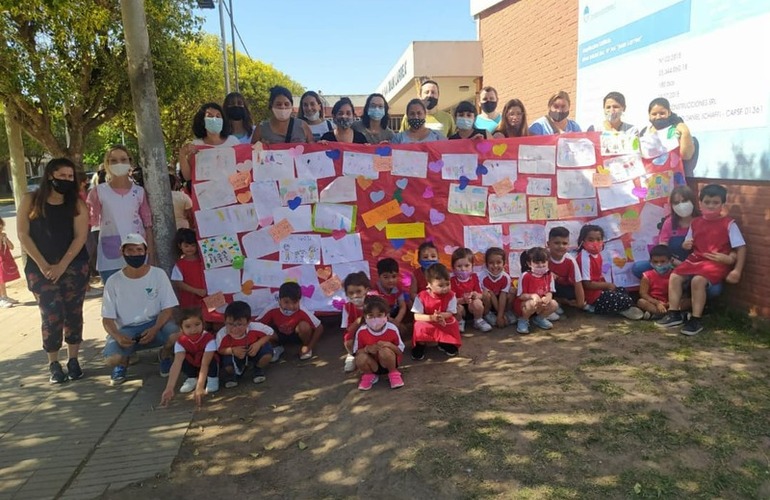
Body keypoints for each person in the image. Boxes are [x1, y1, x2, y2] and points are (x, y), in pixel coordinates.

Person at [17, 158, 89, 384]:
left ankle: (74, 359)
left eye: (70, 177)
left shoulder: (77, 204)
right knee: (51, 313)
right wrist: (43, 265)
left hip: (74, 266)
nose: (67, 180)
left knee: (73, 311)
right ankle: (53, 362)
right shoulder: (31, 200)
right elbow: (23, 234)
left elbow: (80, 237)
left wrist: (62, 265)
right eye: (62, 176)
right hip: (40, 269)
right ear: (50, 176)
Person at [657, 184, 746, 336]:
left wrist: (737, 270)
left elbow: (741, 247)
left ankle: (696, 319)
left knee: (697, 281)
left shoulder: (729, 224)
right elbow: (688, 242)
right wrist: (686, 244)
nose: (711, 205)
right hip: (696, 258)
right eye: (707, 202)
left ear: (722, 204)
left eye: (715, 202)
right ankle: (674, 313)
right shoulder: (696, 222)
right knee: (675, 276)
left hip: (716, 262)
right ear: (700, 203)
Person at [101, 233, 179, 386]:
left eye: (139, 250)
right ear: (122, 253)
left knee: (176, 335)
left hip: (154, 324)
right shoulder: (113, 281)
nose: (135, 254)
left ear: (146, 251)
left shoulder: (158, 274)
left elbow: (168, 308)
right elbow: (107, 319)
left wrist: (155, 328)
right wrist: (117, 336)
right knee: (112, 358)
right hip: (127, 329)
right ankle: (122, 362)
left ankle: (165, 355)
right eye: (130, 250)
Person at [87, 145, 154, 283]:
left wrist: (151, 253)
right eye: (114, 160)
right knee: (114, 297)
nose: (119, 164)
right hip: (110, 253)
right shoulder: (99, 192)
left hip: (138, 251)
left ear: (130, 162)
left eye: (123, 159)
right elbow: (90, 223)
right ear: (107, 164)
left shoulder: (139, 192)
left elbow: (147, 225)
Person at [576, 225, 645, 320]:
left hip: (599, 290)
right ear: (582, 241)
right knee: (625, 299)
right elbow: (586, 284)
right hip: (591, 296)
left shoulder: (597, 255)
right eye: (591, 240)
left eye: (598, 239)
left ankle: (622, 309)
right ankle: (592, 307)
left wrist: (607, 287)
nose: (595, 243)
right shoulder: (584, 258)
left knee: (622, 291)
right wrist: (607, 285)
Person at [160, 308, 219, 407]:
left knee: (211, 360)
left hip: (206, 363)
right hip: (194, 362)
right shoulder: (180, 341)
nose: (193, 330)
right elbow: (177, 363)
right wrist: (169, 387)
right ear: (181, 328)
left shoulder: (209, 339)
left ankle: (212, 377)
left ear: (203, 324)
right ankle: (192, 377)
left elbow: (205, 364)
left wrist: (200, 387)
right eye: (188, 326)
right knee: (180, 358)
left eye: (197, 324)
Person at [259, 281, 323, 361]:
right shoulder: (272, 309)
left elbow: (319, 327)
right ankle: (276, 348)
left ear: (299, 301)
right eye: (286, 302)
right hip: (279, 336)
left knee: (304, 326)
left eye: (294, 302)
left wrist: (309, 346)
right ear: (279, 300)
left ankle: (305, 346)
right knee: (263, 329)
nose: (290, 306)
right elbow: (258, 326)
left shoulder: (302, 310)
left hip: (296, 336)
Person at [353, 296, 405, 391]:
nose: (375, 319)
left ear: (386, 315)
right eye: (371, 315)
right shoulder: (361, 331)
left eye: (379, 315)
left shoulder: (392, 329)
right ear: (365, 316)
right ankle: (369, 375)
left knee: (385, 351)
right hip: (372, 365)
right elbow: (356, 352)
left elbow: (400, 351)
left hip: (390, 362)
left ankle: (393, 373)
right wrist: (367, 349)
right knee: (360, 357)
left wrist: (389, 345)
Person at [217, 301, 274, 387]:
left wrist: (258, 344)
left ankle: (257, 369)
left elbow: (270, 333)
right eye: (230, 324)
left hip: (253, 351)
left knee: (267, 353)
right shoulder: (222, 334)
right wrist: (232, 350)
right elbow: (220, 350)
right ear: (225, 321)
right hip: (234, 356)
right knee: (227, 365)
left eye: (239, 324)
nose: (235, 328)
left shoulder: (255, 327)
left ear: (248, 322)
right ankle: (233, 374)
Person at [411, 263, 461, 360]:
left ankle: (444, 343)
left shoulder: (451, 295)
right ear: (429, 284)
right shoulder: (421, 296)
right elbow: (416, 316)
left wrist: (441, 316)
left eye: (447, 284)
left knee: (453, 323)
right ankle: (420, 345)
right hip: (427, 320)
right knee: (419, 325)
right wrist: (431, 318)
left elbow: (451, 312)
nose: (445, 288)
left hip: (442, 319)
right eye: (440, 285)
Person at [178, 102, 240, 180]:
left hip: (230, 191)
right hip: (205, 191)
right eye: (210, 116)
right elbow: (188, 177)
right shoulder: (196, 145)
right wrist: (182, 155)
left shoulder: (233, 141)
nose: (214, 119)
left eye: (218, 116)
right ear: (202, 121)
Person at [514, 248, 560, 335]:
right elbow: (520, 295)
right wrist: (532, 296)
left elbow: (550, 291)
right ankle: (523, 320)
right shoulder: (525, 276)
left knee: (554, 304)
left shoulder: (549, 275)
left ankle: (540, 318)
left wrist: (548, 298)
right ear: (529, 263)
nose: (541, 265)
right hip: (525, 305)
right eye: (537, 262)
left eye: (543, 262)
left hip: (540, 305)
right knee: (531, 304)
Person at [637, 245, 688, 320]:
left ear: (671, 261)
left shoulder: (676, 275)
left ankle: (661, 314)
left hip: (672, 303)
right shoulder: (647, 276)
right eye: (655, 262)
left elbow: (683, 293)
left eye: (663, 261)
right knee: (641, 302)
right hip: (654, 302)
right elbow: (643, 294)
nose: (659, 264)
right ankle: (670, 314)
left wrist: (669, 303)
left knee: (689, 301)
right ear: (650, 261)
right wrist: (657, 303)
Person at [450, 247, 492, 332]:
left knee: (477, 302)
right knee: (455, 306)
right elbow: (450, 300)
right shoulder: (451, 281)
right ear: (453, 267)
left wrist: (475, 295)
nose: (463, 269)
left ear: (472, 266)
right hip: (460, 309)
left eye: (467, 265)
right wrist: (462, 300)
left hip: (472, 308)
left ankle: (478, 320)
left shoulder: (474, 278)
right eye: (459, 266)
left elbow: (481, 295)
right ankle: (459, 322)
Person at [547, 226, 585, 314]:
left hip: (562, 288)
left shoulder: (570, 260)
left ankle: (560, 301)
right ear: (548, 244)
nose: (561, 246)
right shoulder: (544, 257)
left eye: (564, 243)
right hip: (547, 287)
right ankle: (552, 305)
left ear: (568, 245)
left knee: (572, 294)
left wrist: (581, 304)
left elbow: (578, 283)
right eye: (556, 243)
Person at [341, 271, 371, 373]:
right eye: (351, 293)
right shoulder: (347, 307)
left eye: (359, 291)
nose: (355, 295)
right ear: (346, 294)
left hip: (374, 331)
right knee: (347, 339)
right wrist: (358, 321)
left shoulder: (375, 302)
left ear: (366, 290)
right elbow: (348, 329)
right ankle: (352, 355)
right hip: (356, 333)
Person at [480, 247, 517, 328]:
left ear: (504, 263)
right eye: (491, 263)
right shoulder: (482, 276)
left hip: (501, 300)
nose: (495, 265)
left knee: (512, 290)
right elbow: (492, 295)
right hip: (491, 301)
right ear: (486, 264)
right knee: (486, 294)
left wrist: (501, 315)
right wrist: (500, 317)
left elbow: (503, 295)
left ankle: (507, 311)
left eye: (499, 262)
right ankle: (487, 313)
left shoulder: (506, 277)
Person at [170, 228, 206, 310]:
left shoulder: (204, 261)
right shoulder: (179, 265)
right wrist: (196, 291)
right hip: (190, 302)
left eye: (193, 245)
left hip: (208, 299)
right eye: (186, 246)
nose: (190, 248)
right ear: (180, 246)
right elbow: (178, 282)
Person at [371, 258, 407, 330]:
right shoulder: (375, 291)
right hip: (380, 317)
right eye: (386, 277)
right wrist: (391, 323)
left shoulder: (398, 287)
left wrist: (397, 321)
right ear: (379, 276)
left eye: (394, 276)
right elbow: (378, 312)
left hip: (394, 315)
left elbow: (403, 306)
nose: (390, 280)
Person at [0, 216, 20, 307]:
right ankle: (2, 298)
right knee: (1, 280)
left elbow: (11, 247)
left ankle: (5, 296)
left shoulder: (3, 236)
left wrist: (6, 239)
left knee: (3, 279)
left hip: (5, 260)